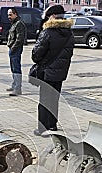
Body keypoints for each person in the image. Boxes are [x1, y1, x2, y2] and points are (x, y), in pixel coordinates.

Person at [31, 5, 74, 136]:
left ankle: (43, 128)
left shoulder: (47, 32)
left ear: (53, 16)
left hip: (47, 71)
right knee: (54, 98)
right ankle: (52, 125)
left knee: (44, 100)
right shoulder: (69, 33)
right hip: (60, 72)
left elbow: (36, 55)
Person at [6, 8, 26, 96]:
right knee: (13, 68)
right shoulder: (14, 23)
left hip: (16, 49)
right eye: (8, 15)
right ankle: (14, 85)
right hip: (12, 48)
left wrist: (13, 48)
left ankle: (18, 89)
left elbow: (20, 39)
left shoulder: (19, 24)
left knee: (16, 68)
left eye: (10, 14)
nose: (8, 17)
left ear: (15, 14)